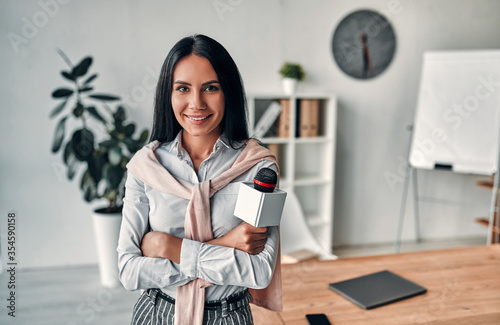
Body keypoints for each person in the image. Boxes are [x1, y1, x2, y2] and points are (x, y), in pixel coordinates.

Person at [117, 34, 281, 325]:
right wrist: (227, 243)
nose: (196, 103)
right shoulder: (146, 166)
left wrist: (169, 248)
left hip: (229, 316)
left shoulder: (257, 168)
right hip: (156, 312)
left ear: (227, 92)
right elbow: (129, 271)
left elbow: (258, 272)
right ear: (168, 94)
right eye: (183, 88)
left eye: (210, 88)